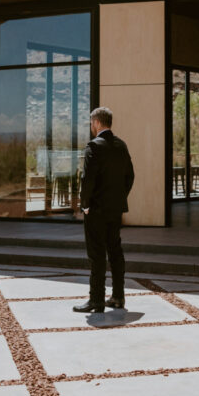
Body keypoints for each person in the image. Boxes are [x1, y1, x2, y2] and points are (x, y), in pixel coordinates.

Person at [72, 107, 134, 314]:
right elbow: (130, 176)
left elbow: (87, 180)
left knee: (96, 254)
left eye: (91, 123)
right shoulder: (121, 146)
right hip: (115, 210)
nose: (91, 126)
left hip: (96, 211)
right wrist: (119, 198)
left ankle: (96, 300)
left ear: (97, 123)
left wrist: (86, 205)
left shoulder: (93, 147)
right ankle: (118, 296)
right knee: (115, 251)